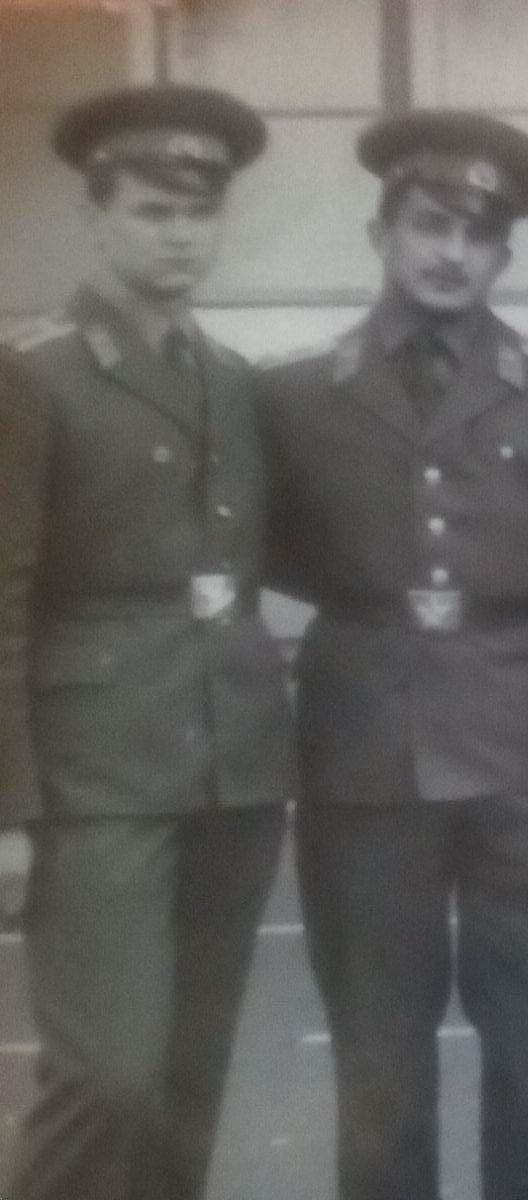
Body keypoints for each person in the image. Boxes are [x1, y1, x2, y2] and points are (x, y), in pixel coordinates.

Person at [255, 111, 528, 1200]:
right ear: (380, 234)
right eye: (429, 226)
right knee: (379, 1057)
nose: (450, 254)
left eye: (477, 236)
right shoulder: (292, 392)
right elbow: (271, 549)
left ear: (503, 258)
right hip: (362, 756)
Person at [0, 84, 292, 1200]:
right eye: (152, 211)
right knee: (107, 1078)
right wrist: (7, 811)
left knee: (187, 1075)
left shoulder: (230, 378)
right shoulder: (32, 374)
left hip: (230, 770)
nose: (179, 236)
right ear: (94, 216)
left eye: (198, 213)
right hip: (97, 778)